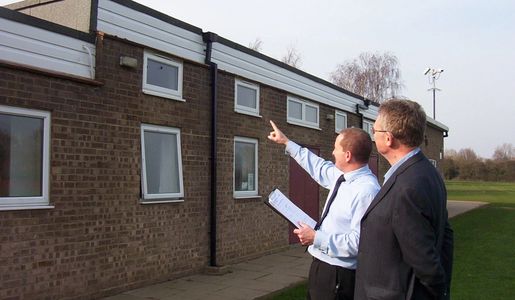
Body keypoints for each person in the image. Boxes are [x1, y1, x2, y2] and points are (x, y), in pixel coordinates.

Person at [268, 120, 380, 300]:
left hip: (339, 276)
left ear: (348, 155)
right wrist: (286, 142)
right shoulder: (343, 176)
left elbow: (359, 243)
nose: (332, 152)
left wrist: (316, 238)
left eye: (336, 148)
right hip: (321, 267)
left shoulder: (366, 191)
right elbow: (318, 166)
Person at [354, 99, 454, 300]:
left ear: (389, 139)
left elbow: (426, 262)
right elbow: (446, 239)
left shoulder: (408, 186)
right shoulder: (426, 172)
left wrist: (439, 293)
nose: (373, 135)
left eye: (375, 130)